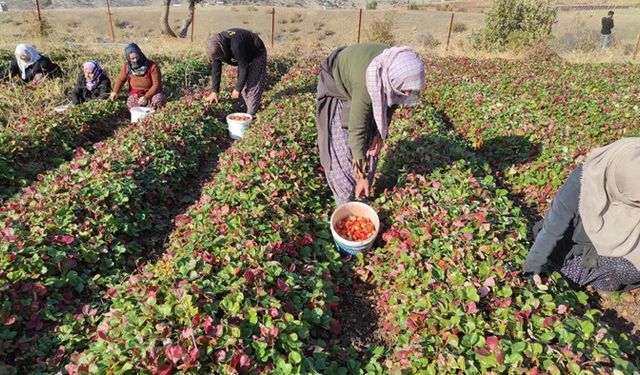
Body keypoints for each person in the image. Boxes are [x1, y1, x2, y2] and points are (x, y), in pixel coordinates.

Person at [523, 138, 640, 292]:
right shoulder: (583, 182)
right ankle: (583, 275)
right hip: (574, 246)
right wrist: (531, 270)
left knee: (633, 269)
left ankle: (595, 277)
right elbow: (552, 230)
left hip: (616, 246)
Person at [315, 43, 425, 205]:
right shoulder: (366, 84)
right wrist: (361, 176)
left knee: (371, 146)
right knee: (342, 149)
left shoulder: (394, 69)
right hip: (337, 82)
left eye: (410, 90)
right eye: (405, 89)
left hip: (361, 79)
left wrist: (380, 134)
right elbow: (357, 129)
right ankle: (346, 201)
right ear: (392, 78)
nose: (407, 94)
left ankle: (362, 191)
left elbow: (392, 102)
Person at [205, 28, 267, 115]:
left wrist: (237, 89)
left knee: (253, 85)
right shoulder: (215, 47)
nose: (220, 58)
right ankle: (247, 107)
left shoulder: (236, 45)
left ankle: (251, 114)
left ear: (222, 47)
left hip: (256, 53)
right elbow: (216, 70)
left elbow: (243, 68)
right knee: (243, 85)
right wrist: (215, 91)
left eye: (220, 56)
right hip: (244, 55)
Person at [110, 43, 166, 109]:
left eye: (137, 57)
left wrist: (146, 97)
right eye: (132, 59)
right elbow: (120, 79)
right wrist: (115, 91)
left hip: (152, 93)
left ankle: (154, 116)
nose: (135, 60)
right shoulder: (127, 67)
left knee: (158, 100)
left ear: (140, 54)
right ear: (129, 59)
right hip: (136, 93)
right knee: (131, 104)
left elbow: (156, 84)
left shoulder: (152, 66)